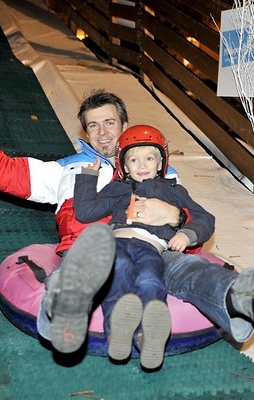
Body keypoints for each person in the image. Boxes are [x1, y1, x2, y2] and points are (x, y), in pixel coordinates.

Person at [0, 74, 254, 358]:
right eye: (93, 125)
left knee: (183, 269)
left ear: (125, 127)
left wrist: (176, 216)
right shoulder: (68, 172)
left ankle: (252, 295)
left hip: (156, 250)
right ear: (84, 131)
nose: (101, 134)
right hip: (95, 256)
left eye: (109, 123)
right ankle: (66, 307)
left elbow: (194, 219)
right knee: (99, 255)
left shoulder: (157, 172)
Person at [73, 124, 215, 369]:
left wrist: (187, 234)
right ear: (124, 166)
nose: (141, 165)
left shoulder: (173, 191)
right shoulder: (117, 189)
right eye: (134, 159)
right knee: (118, 268)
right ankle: (117, 330)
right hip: (117, 243)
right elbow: (85, 212)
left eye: (149, 158)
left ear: (161, 163)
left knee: (150, 279)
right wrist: (88, 178)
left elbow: (205, 218)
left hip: (152, 248)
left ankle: (149, 336)